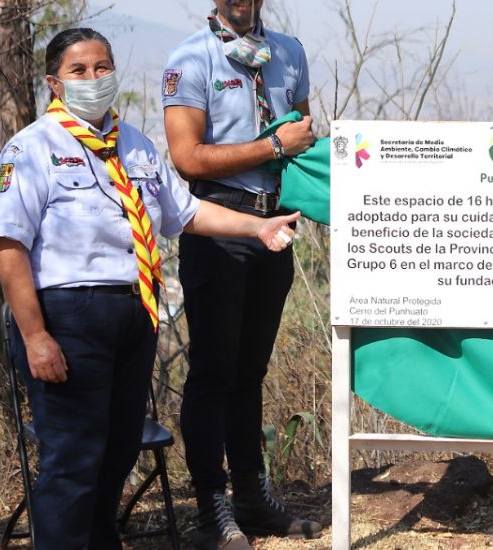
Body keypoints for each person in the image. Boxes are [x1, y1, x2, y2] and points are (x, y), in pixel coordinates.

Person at [0, 27, 302, 549]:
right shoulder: (32, 148)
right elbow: (9, 248)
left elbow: (186, 211)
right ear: (54, 82)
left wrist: (257, 226)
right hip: (69, 316)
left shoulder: (130, 143)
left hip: (135, 314)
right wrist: (36, 336)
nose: (94, 78)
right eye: (79, 71)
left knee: (117, 450)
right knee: (72, 458)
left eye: (102, 67)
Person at [160, 0, 318, 547]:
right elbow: (187, 159)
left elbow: (300, 140)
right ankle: (211, 506)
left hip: (275, 224)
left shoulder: (290, 52)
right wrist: (272, 144)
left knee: (250, 369)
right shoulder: (191, 59)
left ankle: (251, 496)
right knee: (212, 370)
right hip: (217, 225)